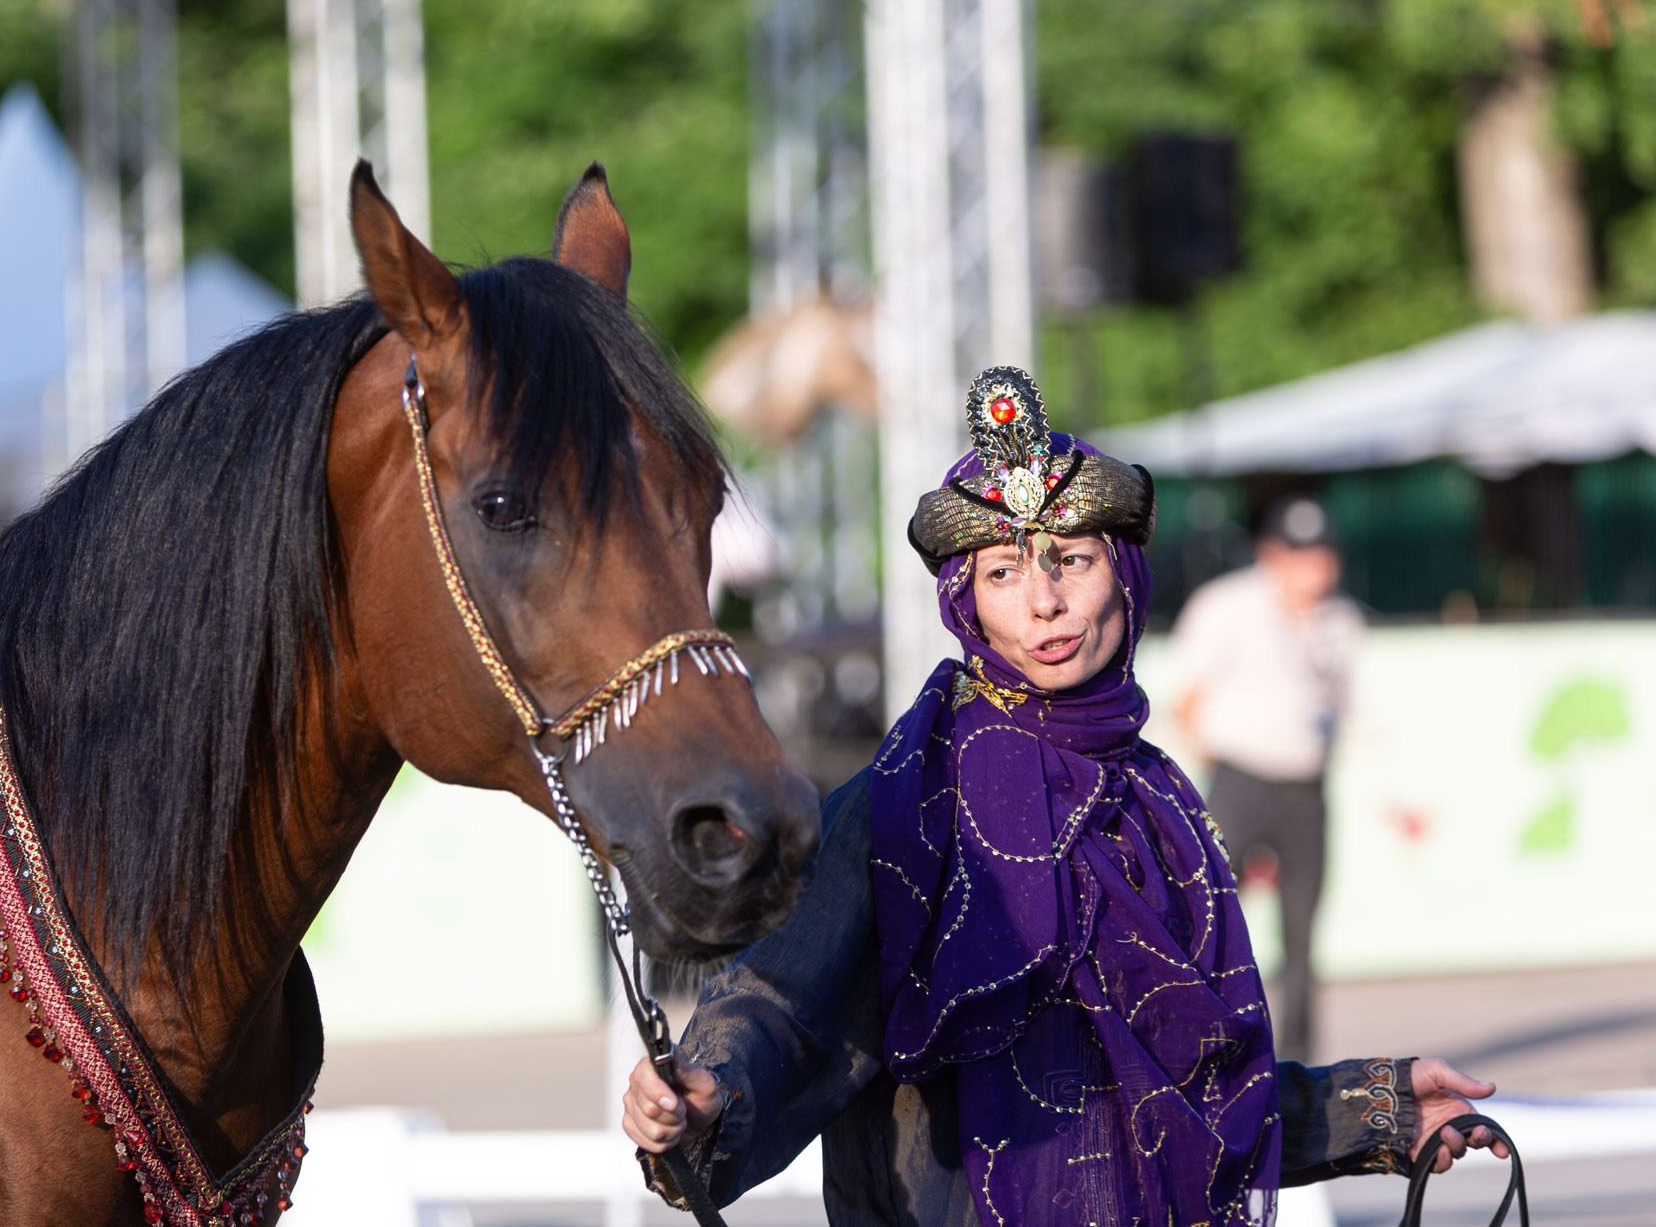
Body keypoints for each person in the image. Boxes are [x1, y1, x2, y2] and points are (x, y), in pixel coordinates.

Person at [621, 368, 1503, 1225]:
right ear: (965, 601)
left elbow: (1190, 1092)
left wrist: (1376, 1106)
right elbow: (779, 1003)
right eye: (1001, 573)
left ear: (1123, 575)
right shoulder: (907, 800)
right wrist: (712, 1091)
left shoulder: (1156, 800)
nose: (1044, 601)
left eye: (1072, 559)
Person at [1172, 495, 1362, 1062]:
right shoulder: (1227, 606)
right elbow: (1187, 698)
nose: (1316, 568)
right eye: (1302, 555)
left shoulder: (1341, 621)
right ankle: (1196, 1048)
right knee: (1205, 920)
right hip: (1239, 783)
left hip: (1305, 792)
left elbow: (1342, 708)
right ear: (1271, 555)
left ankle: (1300, 1064)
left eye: (1323, 554)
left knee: (1302, 937)